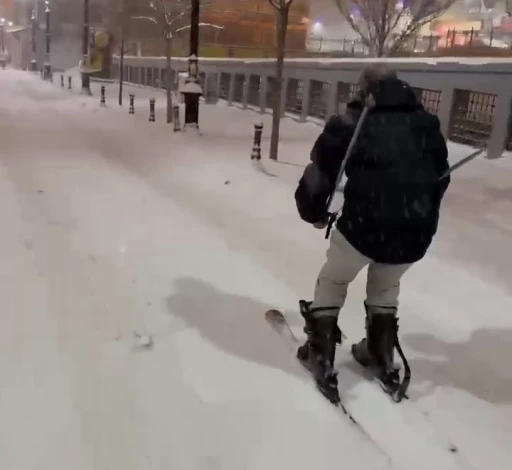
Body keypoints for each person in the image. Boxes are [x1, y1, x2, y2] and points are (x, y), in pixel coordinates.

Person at [294, 65, 451, 404]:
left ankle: (319, 353)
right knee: (386, 284)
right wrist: (415, 212)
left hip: (363, 226)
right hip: (414, 233)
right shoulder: (426, 124)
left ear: (363, 90)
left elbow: (322, 173)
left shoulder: (352, 123)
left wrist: (315, 212)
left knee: (334, 279)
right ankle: (379, 352)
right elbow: (441, 177)